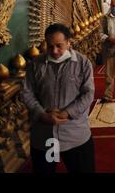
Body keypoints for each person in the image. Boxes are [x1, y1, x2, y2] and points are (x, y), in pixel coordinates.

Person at [22, 24, 95, 173]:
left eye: (59, 46)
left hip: (75, 135)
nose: (54, 51)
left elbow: (88, 94)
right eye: (50, 46)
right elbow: (27, 93)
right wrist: (41, 114)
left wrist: (68, 112)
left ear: (69, 42)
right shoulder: (36, 65)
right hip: (45, 136)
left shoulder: (82, 63)